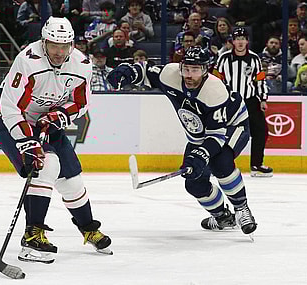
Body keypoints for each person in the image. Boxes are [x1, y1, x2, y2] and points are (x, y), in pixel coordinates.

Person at [0, 16, 112, 264]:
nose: (59, 52)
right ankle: (32, 237)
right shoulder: (28, 60)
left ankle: (88, 228)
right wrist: (27, 142)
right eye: (53, 45)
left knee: (72, 181)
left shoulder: (82, 64)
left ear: (71, 44)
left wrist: (60, 114)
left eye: (64, 45)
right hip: (11, 121)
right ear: (43, 41)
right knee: (47, 166)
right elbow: (9, 105)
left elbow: (81, 102)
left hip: (48, 123)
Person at [107, 46, 257, 237]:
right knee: (193, 182)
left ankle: (242, 209)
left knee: (221, 163)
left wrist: (201, 155)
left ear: (205, 70)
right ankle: (222, 217)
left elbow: (216, 137)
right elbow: (146, 71)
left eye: (195, 70)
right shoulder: (171, 75)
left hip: (233, 126)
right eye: (186, 68)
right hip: (202, 133)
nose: (189, 74)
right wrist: (127, 71)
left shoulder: (215, 91)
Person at [213, 27, 273, 178]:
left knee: (261, 131)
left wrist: (263, 99)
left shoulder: (254, 59)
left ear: (247, 41)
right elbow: (216, 80)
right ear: (232, 41)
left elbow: (259, 80)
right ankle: (217, 164)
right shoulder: (223, 58)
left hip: (250, 101)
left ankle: (256, 165)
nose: (240, 42)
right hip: (230, 101)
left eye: (243, 39)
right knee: (222, 132)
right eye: (237, 39)